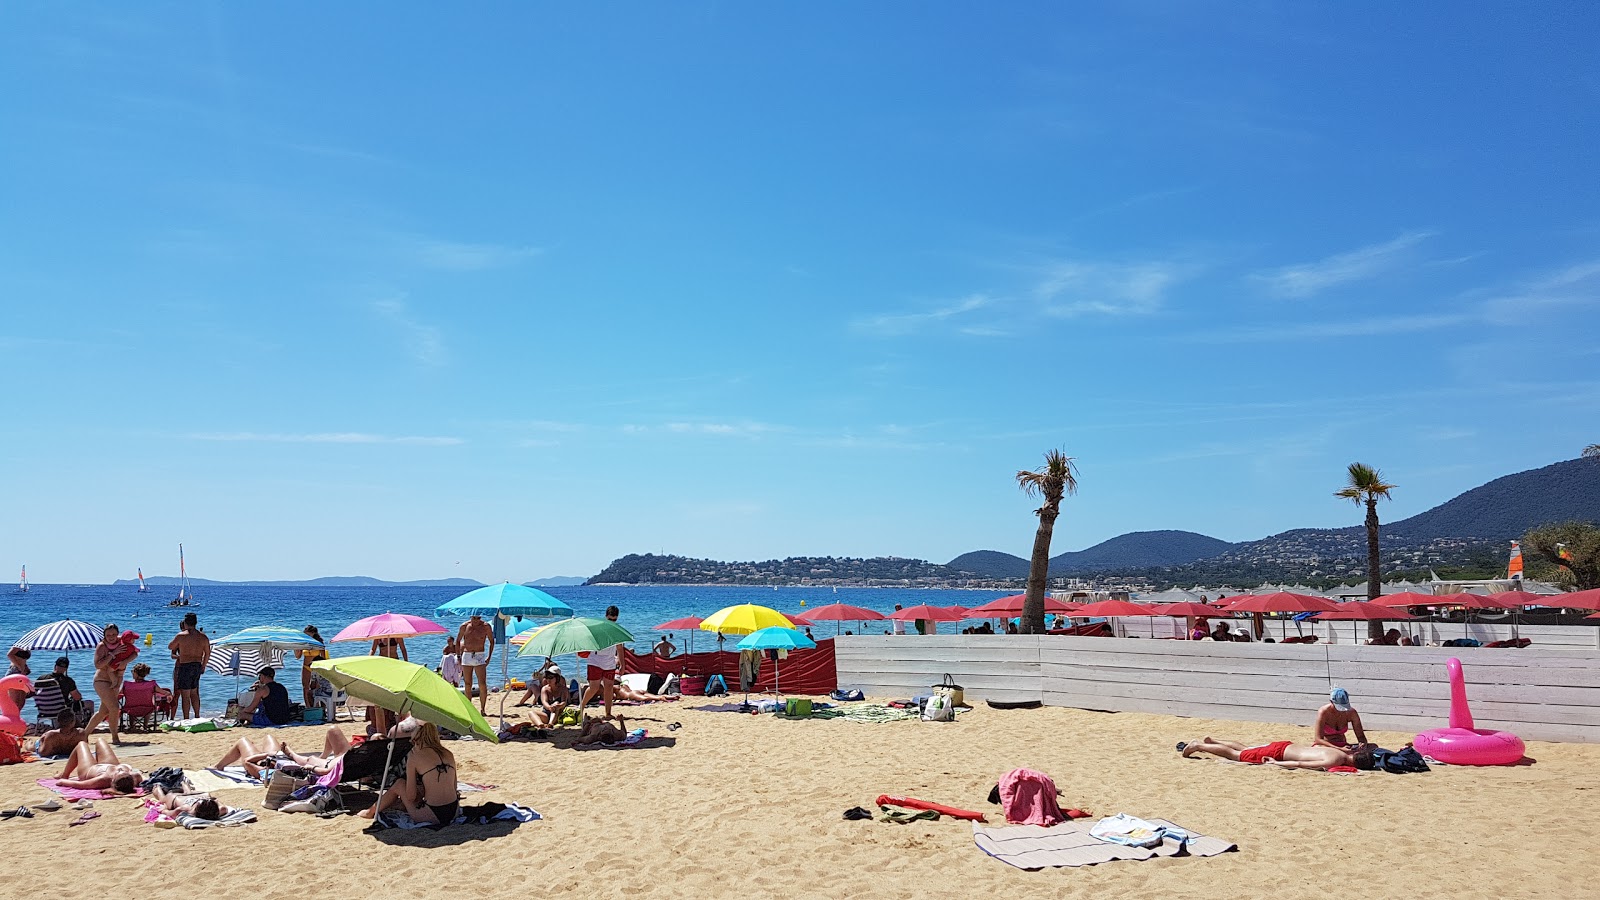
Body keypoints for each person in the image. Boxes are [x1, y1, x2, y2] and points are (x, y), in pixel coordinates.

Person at [358, 721, 457, 824]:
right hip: (454, 811)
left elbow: (411, 796)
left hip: (433, 814)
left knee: (399, 784)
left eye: (412, 742)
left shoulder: (415, 756)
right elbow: (454, 788)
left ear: (417, 740)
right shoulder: (448, 754)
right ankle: (392, 806)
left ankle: (370, 812)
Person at [214, 727, 350, 778]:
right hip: (281, 758)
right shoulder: (344, 761)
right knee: (268, 737)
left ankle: (218, 767)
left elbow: (247, 762)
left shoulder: (264, 772)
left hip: (262, 759)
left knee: (243, 740)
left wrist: (266, 756)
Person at [1179, 736, 1369, 770]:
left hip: (1286, 745)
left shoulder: (1339, 751)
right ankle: (1199, 746)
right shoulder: (1334, 761)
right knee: (1237, 755)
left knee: (1246, 749)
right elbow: (1300, 764)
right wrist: (1275, 763)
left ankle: (1213, 742)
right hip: (1280, 754)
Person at [84, 624, 136, 744]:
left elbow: (134, 653)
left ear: (117, 633)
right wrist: (113, 654)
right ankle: (115, 737)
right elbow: (98, 665)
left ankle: (85, 734)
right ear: (104, 635)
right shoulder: (102, 646)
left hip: (116, 681)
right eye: (108, 635)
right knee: (114, 708)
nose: (111, 637)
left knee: (103, 711)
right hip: (101, 680)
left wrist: (125, 661)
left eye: (113, 634)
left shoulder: (122, 642)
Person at [578, 606, 622, 720]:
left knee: (609, 687)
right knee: (594, 687)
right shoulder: (598, 628)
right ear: (605, 617)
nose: (612, 622)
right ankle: (581, 707)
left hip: (609, 661)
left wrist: (622, 664)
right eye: (610, 619)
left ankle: (608, 713)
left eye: (614, 620)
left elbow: (620, 647)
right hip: (595, 660)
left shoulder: (617, 630)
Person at [57, 737, 143, 793]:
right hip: (109, 765)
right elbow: (147, 779)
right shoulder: (135, 776)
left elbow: (80, 785)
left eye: (119, 772)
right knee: (100, 740)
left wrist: (62, 781)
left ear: (112, 780)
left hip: (89, 770)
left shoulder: (103, 779)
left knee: (81, 744)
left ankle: (65, 774)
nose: (120, 769)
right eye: (123, 771)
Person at [167, 612, 210, 719]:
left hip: (185, 666)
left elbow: (170, 646)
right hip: (197, 665)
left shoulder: (181, 636)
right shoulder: (203, 637)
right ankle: (197, 716)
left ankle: (186, 718)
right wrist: (203, 665)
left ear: (185, 623)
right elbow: (208, 653)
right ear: (196, 623)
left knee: (185, 696)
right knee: (195, 693)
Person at [33, 655, 92, 722]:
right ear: (66, 669)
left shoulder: (42, 679)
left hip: (44, 710)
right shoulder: (68, 681)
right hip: (61, 710)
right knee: (89, 703)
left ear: (55, 666)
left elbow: (34, 692)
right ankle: (87, 725)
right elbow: (77, 697)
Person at [456, 614, 494, 714]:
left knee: (482, 683)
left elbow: (491, 641)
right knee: (468, 683)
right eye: (474, 618)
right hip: (467, 655)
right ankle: (469, 708)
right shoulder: (464, 626)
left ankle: (482, 709)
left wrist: (489, 657)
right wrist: (458, 656)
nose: (476, 620)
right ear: (470, 617)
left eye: (478, 618)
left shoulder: (486, 626)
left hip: (479, 655)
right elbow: (458, 640)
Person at [150, 783, 231, 821]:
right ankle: (158, 788)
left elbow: (168, 812)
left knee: (163, 799)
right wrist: (164, 810)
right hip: (178, 798)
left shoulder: (186, 809)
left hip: (197, 796)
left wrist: (164, 809)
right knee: (162, 799)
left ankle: (184, 786)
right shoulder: (186, 809)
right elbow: (168, 812)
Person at [295, 626, 328, 708]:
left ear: (313, 633)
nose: (306, 635)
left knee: (316, 687)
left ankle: (319, 706)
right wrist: (296, 647)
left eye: (308, 634)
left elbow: (323, 657)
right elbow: (298, 656)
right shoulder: (304, 642)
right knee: (305, 687)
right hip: (306, 666)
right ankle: (308, 707)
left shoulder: (318, 642)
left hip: (316, 667)